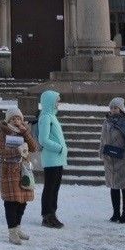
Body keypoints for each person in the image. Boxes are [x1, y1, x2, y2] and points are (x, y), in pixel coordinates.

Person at [0, 112, 41, 244]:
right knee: (11, 202)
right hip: (9, 171)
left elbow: (34, 147)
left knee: (22, 201)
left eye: (18, 118)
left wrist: (25, 133)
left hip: (23, 170)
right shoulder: (3, 133)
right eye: (13, 118)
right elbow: (0, 152)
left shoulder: (24, 131)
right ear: (8, 120)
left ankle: (17, 228)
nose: (16, 120)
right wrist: (17, 150)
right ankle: (12, 232)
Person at [36, 89, 68, 229]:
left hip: (57, 159)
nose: (58, 103)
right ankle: (47, 216)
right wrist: (59, 148)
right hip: (51, 158)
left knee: (55, 188)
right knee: (50, 188)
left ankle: (52, 214)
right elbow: (43, 140)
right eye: (56, 101)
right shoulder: (46, 117)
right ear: (49, 102)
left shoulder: (52, 116)